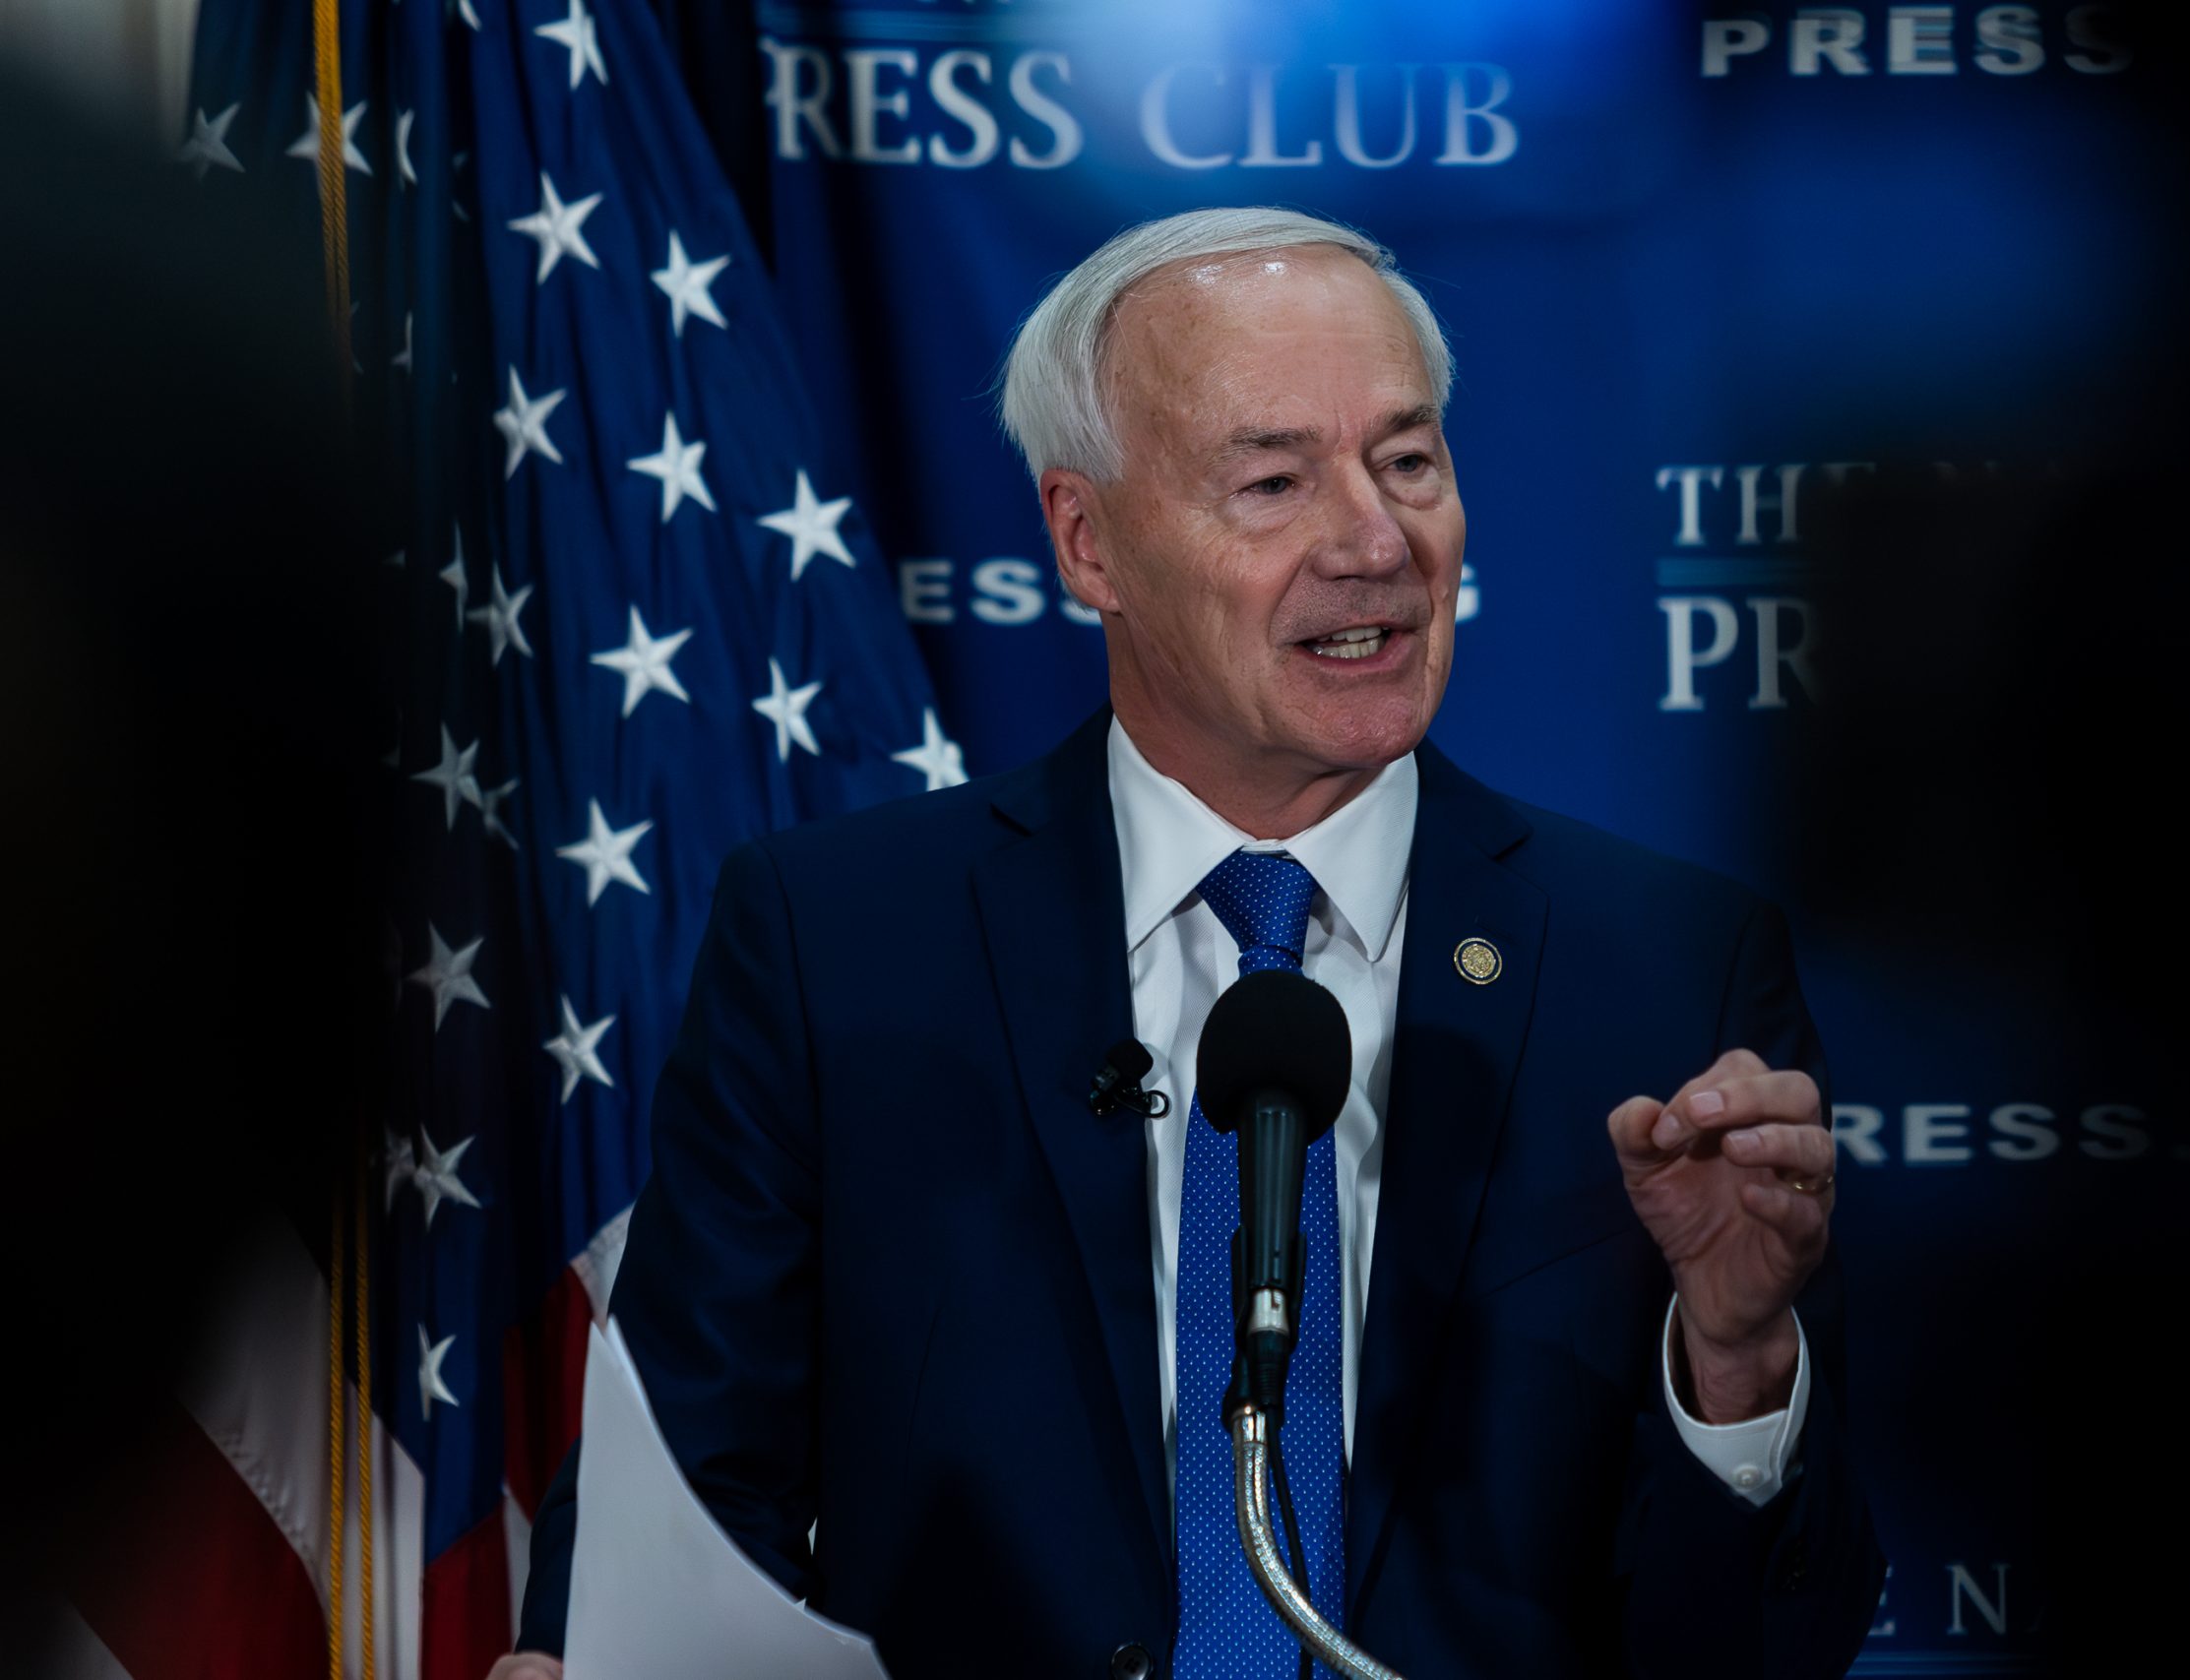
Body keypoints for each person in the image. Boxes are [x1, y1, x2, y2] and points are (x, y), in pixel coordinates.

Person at [501, 207, 1880, 1679]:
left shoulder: (1668, 968)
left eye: (1408, 462)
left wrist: (1735, 1370)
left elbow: (1766, 1649)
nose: (1373, 541)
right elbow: (692, 1500)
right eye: (1275, 480)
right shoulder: (839, 942)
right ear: (1087, 541)